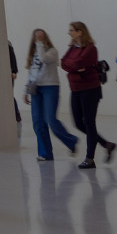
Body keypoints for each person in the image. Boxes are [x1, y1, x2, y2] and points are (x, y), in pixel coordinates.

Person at [61, 21, 117, 169]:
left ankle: (90, 158)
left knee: (89, 123)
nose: (69, 32)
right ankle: (107, 144)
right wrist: (74, 66)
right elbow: (63, 62)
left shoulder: (91, 49)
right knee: (78, 123)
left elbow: (78, 63)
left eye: (71, 30)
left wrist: (73, 65)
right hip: (75, 89)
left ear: (80, 32)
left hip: (90, 89)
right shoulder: (72, 48)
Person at [22, 29, 78, 162]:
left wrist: (39, 44)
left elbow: (44, 59)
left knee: (50, 120)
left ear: (45, 37)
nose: (38, 37)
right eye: (36, 36)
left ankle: (71, 141)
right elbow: (31, 73)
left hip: (50, 87)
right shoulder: (34, 54)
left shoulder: (52, 51)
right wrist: (26, 91)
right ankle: (45, 153)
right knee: (38, 122)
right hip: (35, 89)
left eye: (40, 35)